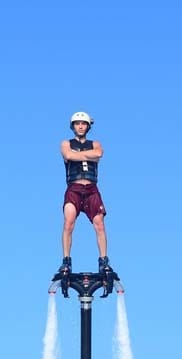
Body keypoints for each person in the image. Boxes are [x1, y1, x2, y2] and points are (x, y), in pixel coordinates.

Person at [58, 111, 113, 277]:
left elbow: (98, 153)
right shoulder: (66, 143)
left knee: (100, 224)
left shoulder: (95, 143)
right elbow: (67, 154)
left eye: (83, 124)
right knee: (68, 222)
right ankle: (66, 259)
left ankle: (103, 260)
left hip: (91, 189)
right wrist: (83, 156)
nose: (80, 126)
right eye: (77, 124)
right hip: (74, 188)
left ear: (88, 126)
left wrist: (77, 156)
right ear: (73, 126)